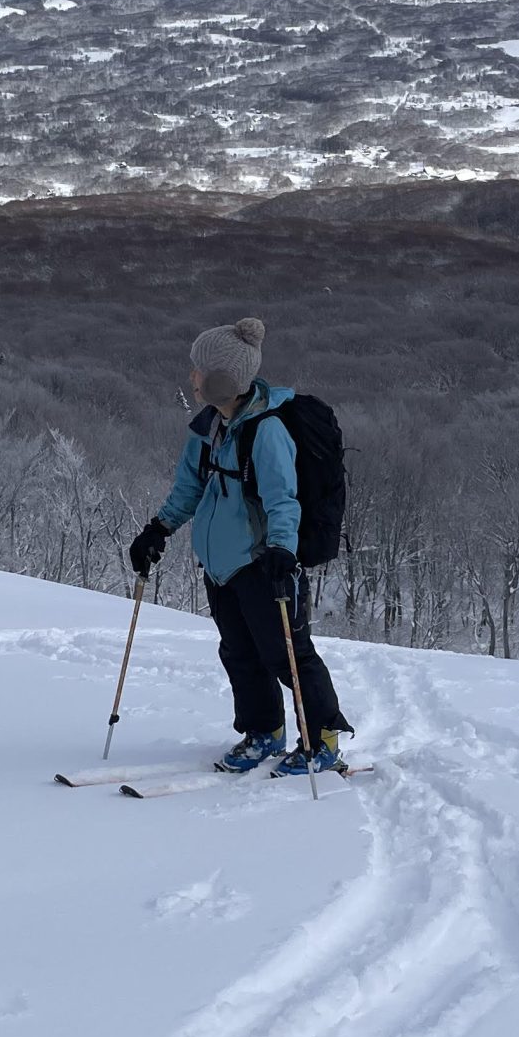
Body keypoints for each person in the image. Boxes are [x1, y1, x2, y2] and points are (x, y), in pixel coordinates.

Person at [127, 317, 352, 776]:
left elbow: (283, 500)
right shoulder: (208, 426)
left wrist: (283, 552)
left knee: (286, 654)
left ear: (223, 379)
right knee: (239, 652)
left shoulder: (266, 430)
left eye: (198, 369)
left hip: (261, 563)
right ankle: (263, 732)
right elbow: (187, 489)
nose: (191, 376)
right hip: (220, 567)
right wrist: (158, 529)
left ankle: (322, 740)